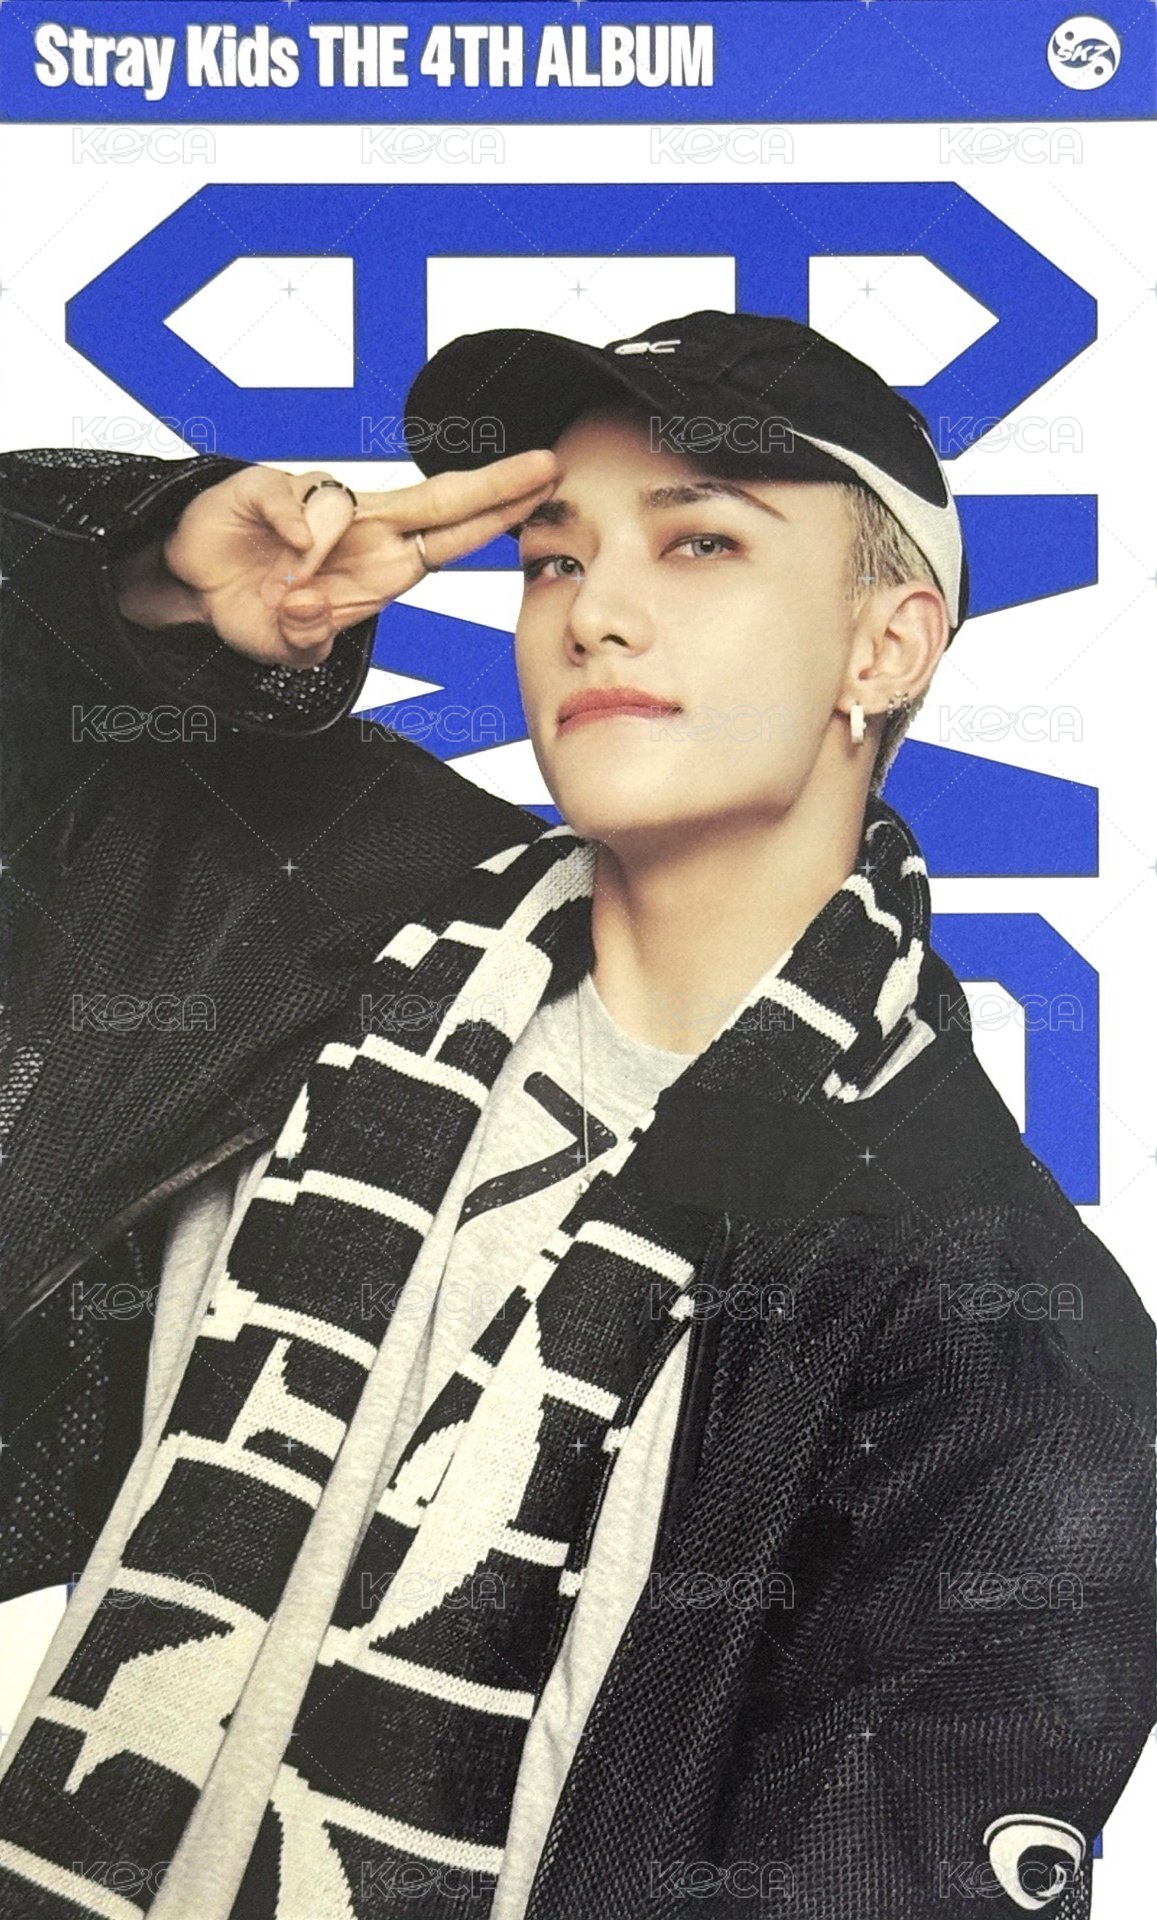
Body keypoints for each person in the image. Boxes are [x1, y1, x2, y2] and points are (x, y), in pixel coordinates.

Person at [0, 311, 1152, 1920]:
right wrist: (153, 586)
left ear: (885, 649)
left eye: (697, 542)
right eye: (553, 559)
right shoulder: (301, 908)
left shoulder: (1008, 1345)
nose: (593, 612)